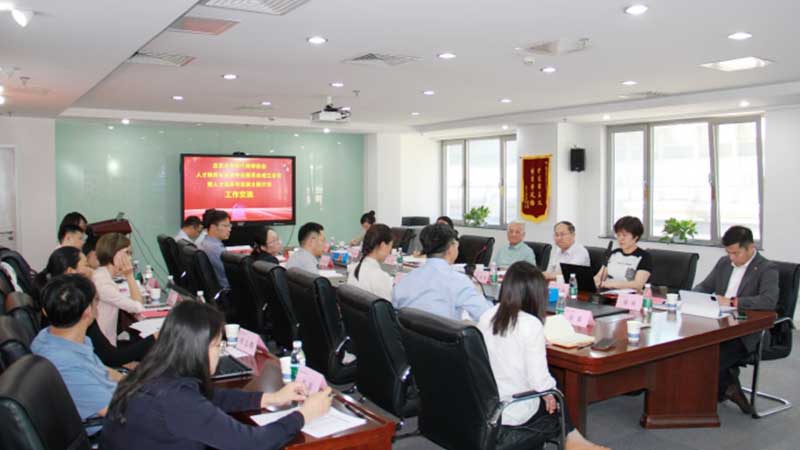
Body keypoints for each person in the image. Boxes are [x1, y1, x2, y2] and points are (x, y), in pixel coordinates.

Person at [100, 301, 333, 450]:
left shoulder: (154, 372)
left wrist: (270, 398)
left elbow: (208, 397)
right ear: (196, 348)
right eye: (216, 346)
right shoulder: (175, 399)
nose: (219, 353)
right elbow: (251, 443)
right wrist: (303, 415)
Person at [477, 262, 609, 450]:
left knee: (553, 381)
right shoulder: (530, 324)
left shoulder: (487, 315)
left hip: (485, 403)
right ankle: (572, 439)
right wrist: (549, 394)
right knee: (556, 392)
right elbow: (538, 381)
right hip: (511, 408)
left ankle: (573, 438)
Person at [693, 225, 778, 414]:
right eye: (728, 253)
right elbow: (705, 286)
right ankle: (729, 387)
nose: (731, 258)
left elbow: (768, 300)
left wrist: (733, 302)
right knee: (691, 348)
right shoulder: (724, 263)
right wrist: (692, 296)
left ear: (751, 248)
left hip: (748, 331)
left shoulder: (766, 268)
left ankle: (726, 389)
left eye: (736, 253)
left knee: (711, 356)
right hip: (719, 323)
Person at [34, 247, 155, 367]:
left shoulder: (51, 309)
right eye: (86, 265)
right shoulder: (79, 310)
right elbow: (110, 357)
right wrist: (154, 338)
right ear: (71, 271)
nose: (91, 269)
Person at [31, 274, 121, 435]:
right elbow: (116, 412)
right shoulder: (65, 365)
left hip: (121, 398)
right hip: (110, 430)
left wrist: (138, 381)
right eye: (96, 301)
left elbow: (103, 371)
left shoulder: (49, 336)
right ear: (88, 311)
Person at [393, 223, 491, 321]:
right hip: (443, 331)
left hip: (410, 330)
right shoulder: (459, 281)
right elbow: (486, 315)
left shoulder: (407, 279)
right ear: (451, 248)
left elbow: (394, 307)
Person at [92, 233, 145, 346]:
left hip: (105, 342)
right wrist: (130, 275)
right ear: (113, 253)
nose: (130, 258)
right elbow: (138, 307)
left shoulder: (101, 275)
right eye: (127, 253)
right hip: (104, 348)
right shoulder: (103, 283)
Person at [593, 216, 652, 291]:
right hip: (607, 294)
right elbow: (599, 276)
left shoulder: (644, 257)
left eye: (624, 235)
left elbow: (638, 284)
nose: (621, 239)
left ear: (636, 237)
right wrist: (593, 282)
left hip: (629, 296)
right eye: (618, 235)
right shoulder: (613, 253)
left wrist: (610, 284)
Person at [347, 224, 394, 300]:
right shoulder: (381, 277)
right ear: (383, 246)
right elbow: (388, 306)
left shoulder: (353, 268)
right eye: (390, 247)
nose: (390, 252)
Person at [199, 209, 232, 289]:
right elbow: (230, 273)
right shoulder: (215, 249)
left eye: (229, 226)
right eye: (225, 226)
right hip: (227, 289)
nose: (229, 229)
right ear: (213, 227)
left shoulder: (205, 242)